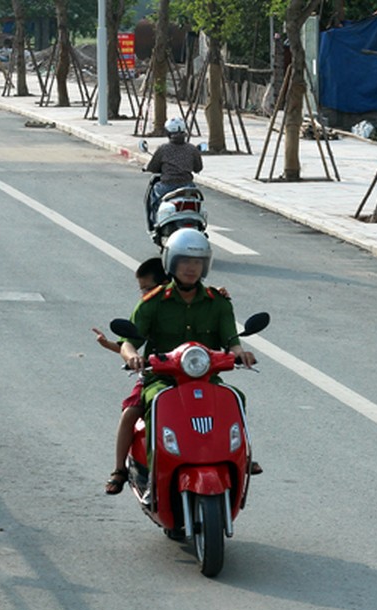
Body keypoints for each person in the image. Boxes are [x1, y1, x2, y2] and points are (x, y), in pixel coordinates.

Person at [117, 229, 261, 481]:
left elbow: (232, 341)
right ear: (171, 262)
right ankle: (149, 470)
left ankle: (241, 455)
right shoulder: (153, 302)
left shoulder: (219, 302)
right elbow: (129, 342)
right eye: (184, 261)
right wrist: (132, 357)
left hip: (206, 377)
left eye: (197, 262)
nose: (191, 268)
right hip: (162, 379)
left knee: (236, 397)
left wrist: (242, 354)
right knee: (153, 404)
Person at [95, 258, 168, 495]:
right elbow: (132, 346)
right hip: (157, 377)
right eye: (143, 289)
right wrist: (114, 347)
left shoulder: (203, 301)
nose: (145, 294)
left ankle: (238, 455)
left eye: (148, 288)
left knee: (229, 402)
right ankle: (119, 470)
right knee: (130, 414)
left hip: (196, 377)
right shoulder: (149, 308)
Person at [144, 117, 203, 229]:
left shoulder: (163, 149)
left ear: (168, 132)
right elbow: (198, 167)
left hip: (166, 186)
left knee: (154, 199)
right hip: (188, 186)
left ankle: (155, 222)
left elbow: (153, 167)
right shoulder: (192, 149)